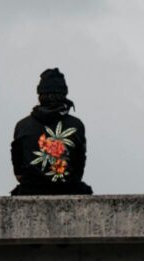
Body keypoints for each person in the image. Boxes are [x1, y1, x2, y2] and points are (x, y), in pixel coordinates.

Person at [10, 67, 92, 195]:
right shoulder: (76, 125)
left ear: (40, 94)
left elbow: (19, 173)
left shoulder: (23, 126)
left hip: (30, 193)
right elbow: (78, 170)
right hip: (68, 191)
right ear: (64, 94)